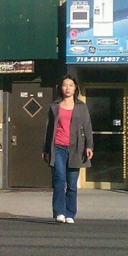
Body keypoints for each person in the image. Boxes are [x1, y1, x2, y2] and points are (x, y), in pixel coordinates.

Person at [42, 74, 94, 224]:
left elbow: (88, 127)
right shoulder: (54, 106)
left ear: (75, 87)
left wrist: (89, 146)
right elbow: (48, 128)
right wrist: (45, 148)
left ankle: (70, 213)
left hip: (76, 149)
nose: (68, 88)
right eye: (65, 85)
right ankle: (59, 212)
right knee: (59, 180)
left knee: (72, 184)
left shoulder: (81, 107)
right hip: (57, 147)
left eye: (71, 85)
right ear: (61, 87)